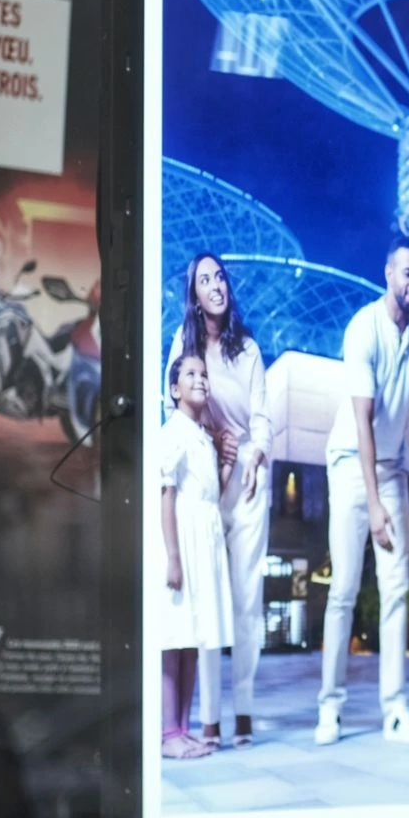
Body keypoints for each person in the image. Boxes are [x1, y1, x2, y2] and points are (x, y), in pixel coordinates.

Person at [318, 233, 409, 746]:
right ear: (387, 273)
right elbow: (363, 422)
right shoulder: (361, 329)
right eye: (406, 272)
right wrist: (374, 504)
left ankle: (395, 709)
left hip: (392, 469)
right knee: (343, 589)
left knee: (396, 591)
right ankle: (330, 708)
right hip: (350, 463)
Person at [165, 252, 271, 747]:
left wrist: (255, 454)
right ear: (194, 294)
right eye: (205, 279)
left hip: (247, 475)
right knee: (206, 594)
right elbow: (172, 403)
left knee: (248, 598)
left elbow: (262, 415)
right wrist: (213, 434)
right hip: (203, 475)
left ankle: (244, 708)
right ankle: (207, 718)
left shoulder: (247, 348)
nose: (216, 284)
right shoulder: (181, 347)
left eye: (220, 276)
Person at [155, 354, 235, 761]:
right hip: (182, 543)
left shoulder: (201, 435)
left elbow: (210, 497)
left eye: (204, 374)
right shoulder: (173, 433)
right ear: (174, 389)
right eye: (191, 374)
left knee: (192, 639)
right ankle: (169, 731)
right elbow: (165, 494)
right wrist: (172, 555)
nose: (200, 379)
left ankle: (183, 730)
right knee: (174, 640)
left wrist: (226, 466)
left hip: (203, 542)